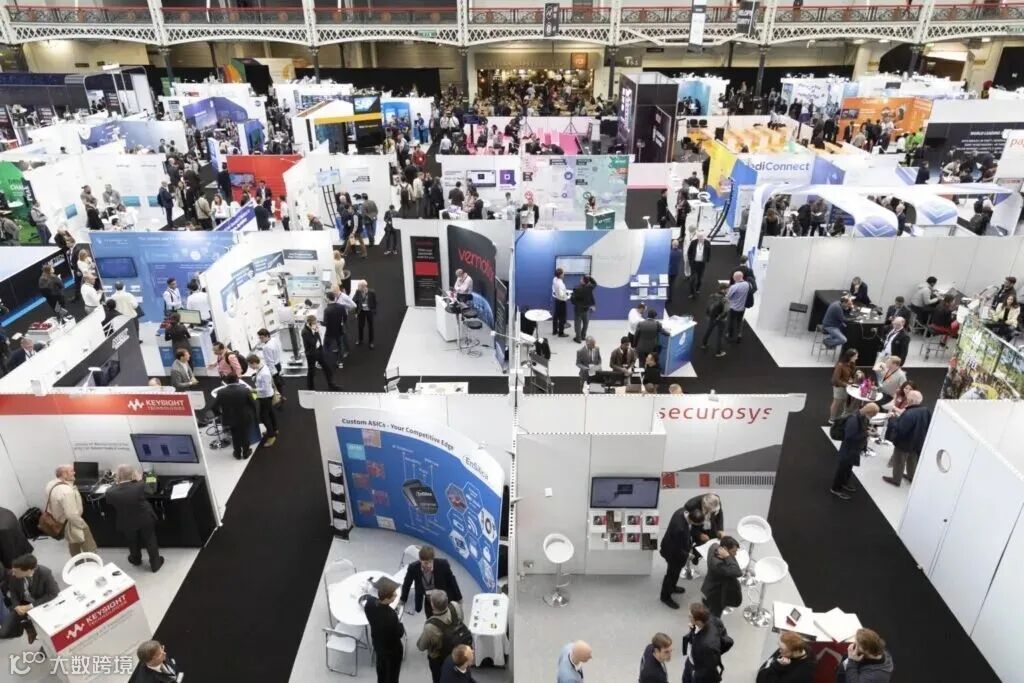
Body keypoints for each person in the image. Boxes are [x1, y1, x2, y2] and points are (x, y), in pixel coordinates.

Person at [104, 465, 163, 572]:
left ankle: (136, 559)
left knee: (132, 541)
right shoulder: (140, 485)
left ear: (118, 476)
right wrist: (144, 477)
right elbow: (152, 490)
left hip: (126, 520)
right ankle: (155, 564)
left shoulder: (110, 492)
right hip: (145, 518)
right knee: (150, 539)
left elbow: (110, 500)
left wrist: (118, 482)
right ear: (132, 475)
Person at [0, 554, 59, 641]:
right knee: (4, 633)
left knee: (49, 631)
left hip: (41, 602)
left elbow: (53, 593)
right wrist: (16, 606)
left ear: (28, 571)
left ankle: (35, 631)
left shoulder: (45, 573)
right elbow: (13, 592)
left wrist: (31, 606)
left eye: (16, 572)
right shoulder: (14, 574)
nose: (13, 573)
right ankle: (28, 627)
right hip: (23, 603)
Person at [44, 465, 97, 555]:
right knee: (89, 546)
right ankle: (93, 561)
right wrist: (82, 525)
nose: (74, 473)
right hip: (72, 523)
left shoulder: (51, 484)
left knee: (73, 543)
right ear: (64, 474)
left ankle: (77, 561)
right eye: (72, 471)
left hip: (61, 522)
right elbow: (71, 514)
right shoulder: (66, 491)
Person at [831, 402, 879, 500]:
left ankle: (844, 482)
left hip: (854, 449)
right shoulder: (853, 420)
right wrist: (867, 434)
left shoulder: (861, 416)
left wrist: (867, 430)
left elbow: (860, 429)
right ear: (870, 412)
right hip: (848, 448)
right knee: (842, 469)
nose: (872, 417)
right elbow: (850, 436)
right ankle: (836, 488)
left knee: (848, 467)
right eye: (873, 415)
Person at [883, 390, 930, 486]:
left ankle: (896, 480)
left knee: (899, 461)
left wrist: (892, 419)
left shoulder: (909, 414)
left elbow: (900, 429)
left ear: (910, 401)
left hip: (904, 443)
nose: (906, 399)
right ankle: (911, 477)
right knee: (912, 459)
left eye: (908, 398)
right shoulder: (925, 410)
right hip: (917, 441)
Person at [417, 590, 467, 683]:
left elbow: (421, 646)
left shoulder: (430, 626)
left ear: (432, 605)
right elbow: (461, 620)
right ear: (447, 600)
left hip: (439, 660)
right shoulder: (455, 606)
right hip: (458, 649)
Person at [400, 545, 463, 618]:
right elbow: (407, 584)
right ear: (420, 560)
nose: (429, 565)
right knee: (431, 620)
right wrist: (403, 600)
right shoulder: (413, 568)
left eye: (430, 562)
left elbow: (452, 581)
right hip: (429, 602)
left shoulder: (443, 564)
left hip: (443, 600)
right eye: (426, 563)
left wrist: (459, 598)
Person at [364, 576, 405, 683]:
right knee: (392, 676)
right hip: (392, 650)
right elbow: (399, 633)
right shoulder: (391, 616)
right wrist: (400, 625)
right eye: (393, 595)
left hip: (379, 645)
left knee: (381, 671)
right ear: (386, 599)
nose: (396, 595)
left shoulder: (369, 603)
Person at [211, 373, 256, 460]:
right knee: (245, 434)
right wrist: (252, 414)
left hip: (230, 418)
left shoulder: (221, 392)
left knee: (235, 435)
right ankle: (246, 452)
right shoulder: (245, 390)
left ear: (227, 381)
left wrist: (220, 414)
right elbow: (252, 404)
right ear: (237, 380)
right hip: (244, 417)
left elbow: (214, 407)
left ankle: (237, 453)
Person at [681, 602, 725, 682]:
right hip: (691, 660)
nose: (688, 617)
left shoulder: (706, 645)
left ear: (698, 621)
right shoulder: (712, 621)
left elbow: (708, 668)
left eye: (690, 616)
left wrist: (696, 674)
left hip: (696, 669)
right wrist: (693, 629)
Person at [659, 506, 692, 609]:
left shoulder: (682, 512)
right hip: (672, 553)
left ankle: (672, 587)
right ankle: (665, 597)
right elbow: (675, 549)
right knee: (671, 574)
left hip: (676, 550)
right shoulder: (679, 528)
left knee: (675, 572)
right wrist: (687, 555)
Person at [700, 536, 742, 618]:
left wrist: (727, 555)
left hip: (710, 585)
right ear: (725, 549)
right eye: (733, 551)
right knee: (715, 615)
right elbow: (738, 572)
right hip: (716, 594)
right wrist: (728, 557)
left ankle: (707, 606)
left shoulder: (714, 546)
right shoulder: (718, 564)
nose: (735, 554)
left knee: (709, 605)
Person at [301, 315, 338, 391]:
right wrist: (315, 331)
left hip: (319, 352)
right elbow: (312, 342)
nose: (316, 324)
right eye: (314, 323)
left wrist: (321, 349)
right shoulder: (305, 332)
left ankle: (331, 384)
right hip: (311, 354)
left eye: (316, 322)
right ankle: (311, 388)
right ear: (309, 323)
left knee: (327, 369)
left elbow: (319, 339)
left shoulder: (314, 328)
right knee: (311, 372)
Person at [321, 290, 351, 367]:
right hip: (339, 330)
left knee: (326, 347)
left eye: (325, 298)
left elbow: (325, 323)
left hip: (329, 332)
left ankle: (322, 363)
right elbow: (345, 318)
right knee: (340, 346)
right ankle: (340, 363)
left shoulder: (327, 310)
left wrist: (320, 322)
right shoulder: (341, 307)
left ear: (328, 299)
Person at [830, 349, 859, 422]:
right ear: (850, 357)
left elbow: (852, 372)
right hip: (839, 387)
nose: (857, 358)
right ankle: (832, 419)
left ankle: (845, 416)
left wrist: (856, 374)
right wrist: (846, 385)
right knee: (837, 403)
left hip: (847, 385)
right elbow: (835, 379)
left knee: (848, 401)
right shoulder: (840, 365)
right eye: (855, 356)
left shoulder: (852, 363)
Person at [702, 282, 729, 358]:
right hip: (721, 319)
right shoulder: (725, 299)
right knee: (720, 336)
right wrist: (720, 318)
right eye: (727, 289)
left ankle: (704, 344)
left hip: (712, 317)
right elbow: (726, 311)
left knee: (709, 330)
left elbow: (708, 306)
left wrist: (709, 315)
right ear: (723, 290)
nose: (728, 291)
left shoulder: (712, 296)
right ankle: (718, 352)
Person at [256, 328, 284, 398]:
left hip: (273, 367)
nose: (260, 340)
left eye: (262, 337)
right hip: (278, 364)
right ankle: (281, 396)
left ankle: (279, 398)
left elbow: (270, 361)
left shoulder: (266, 347)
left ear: (267, 336)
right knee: (279, 384)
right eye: (259, 338)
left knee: (275, 385)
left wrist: (272, 373)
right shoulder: (273, 340)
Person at [570, 275, 598, 343]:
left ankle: (578, 338)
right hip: (586, 309)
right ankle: (583, 336)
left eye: (581, 279)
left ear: (583, 281)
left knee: (578, 324)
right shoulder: (589, 287)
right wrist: (590, 277)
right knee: (585, 323)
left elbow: (572, 299)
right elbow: (595, 283)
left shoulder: (576, 288)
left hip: (578, 309)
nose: (580, 280)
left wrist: (574, 301)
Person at [725, 271, 751, 342]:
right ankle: (739, 334)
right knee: (739, 321)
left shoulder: (734, 287)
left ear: (736, 278)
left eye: (734, 277)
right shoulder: (747, 284)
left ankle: (730, 335)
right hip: (742, 307)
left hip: (733, 308)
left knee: (731, 322)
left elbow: (728, 296)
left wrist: (727, 292)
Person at [353, 281, 378, 349]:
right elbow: (354, 301)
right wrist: (356, 312)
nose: (358, 287)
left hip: (369, 311)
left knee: (371, 327)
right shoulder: (358, 292)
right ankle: (360, 339)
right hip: (361, 311)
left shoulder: (372, 292)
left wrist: (374, 310)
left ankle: (371, 342)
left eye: (359, 286)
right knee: (360, 326)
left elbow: (375, 302)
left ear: (364, 286)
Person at [687, 232, 711, 298]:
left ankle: (697, 288)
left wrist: (707, 259)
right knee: (692, 279)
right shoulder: (693, 242)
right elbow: (689, 252)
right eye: (699, 237)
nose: (701, 238)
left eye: (702, 237)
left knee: (700, 279)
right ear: (697, 237)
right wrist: (690, 261)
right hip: (694, 264)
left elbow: (709, 252)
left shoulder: (707, 243)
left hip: (702, 264)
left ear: (704, 237)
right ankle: (691, 293)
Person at [551, 268, 569, 337]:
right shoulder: (561, 284)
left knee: (555, 316)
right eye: (563, 273)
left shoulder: (554, 279)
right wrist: (567, 296)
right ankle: (561, 333)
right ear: (561, 275)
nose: (564, 274)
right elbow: (562, 295)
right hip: (562, 302)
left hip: (557, 300)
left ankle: (554, 331)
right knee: (562, 318)